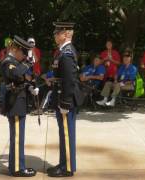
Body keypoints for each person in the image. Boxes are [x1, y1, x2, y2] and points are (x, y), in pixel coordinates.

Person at [48, 22, 83, 177]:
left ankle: (67, 168)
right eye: (55, 32)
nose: (55, 35)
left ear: (67, 34)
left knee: (67, 134)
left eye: (58, 32)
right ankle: (64, 163)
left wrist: (65, 103)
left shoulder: (67, 53)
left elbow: (69, 80)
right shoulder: (62, 51)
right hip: (61, 96)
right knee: (64, 134)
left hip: (65, 99)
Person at [0, 35, 38, 177]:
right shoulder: (8, 62)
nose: (23, 56)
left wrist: (30, 87)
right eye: (23, 53)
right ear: (15, 49)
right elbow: (16, 74)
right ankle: (17, 169)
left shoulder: (15, 61)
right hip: (14, 104)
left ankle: (15, 166)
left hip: (19, 102)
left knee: (18, 136)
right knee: (17, 137)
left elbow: (21, 80)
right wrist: (28, 63)